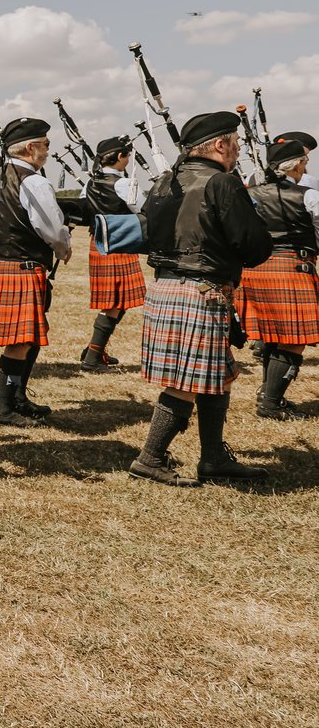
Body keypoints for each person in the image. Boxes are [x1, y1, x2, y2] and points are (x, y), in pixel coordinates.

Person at [129, 112, 273, 485]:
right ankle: (150, 458)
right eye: (236, 143)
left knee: (217, 376)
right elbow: (252, 246)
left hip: (166, 286)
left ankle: (213, 458)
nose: (239, 149)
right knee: (185, 380)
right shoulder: (222, 183)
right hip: (200, 289)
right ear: (220, 144)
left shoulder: (164, 181)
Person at [0, 118, 72, 427]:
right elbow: (52, 227)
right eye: (45, 144)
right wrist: (62, 247)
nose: (47, 151)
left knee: (26, 338)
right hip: (21, 264)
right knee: (19, 341)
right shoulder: (33, 181)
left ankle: (17, 398)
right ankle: (4, 408)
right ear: (31, 147)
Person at [238, 136, 319, 420]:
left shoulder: (248, 194)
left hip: (254, 267)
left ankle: (268, 393)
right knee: (293, 339)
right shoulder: (308, 195)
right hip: (291, 267)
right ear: (296, 165)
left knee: (271, 334)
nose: (307, 165)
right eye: (305, 161)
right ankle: (271, 402)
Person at [81, 136, 147, 372]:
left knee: (118, 302)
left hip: (99, 243)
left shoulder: (89, 183)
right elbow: (143, 208)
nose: (128, 160)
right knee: (114, 303)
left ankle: (94, 349)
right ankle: (93, 356)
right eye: (127, 155)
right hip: (121, 243)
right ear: (120, 156)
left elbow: (83, 208)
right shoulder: (124, 184)